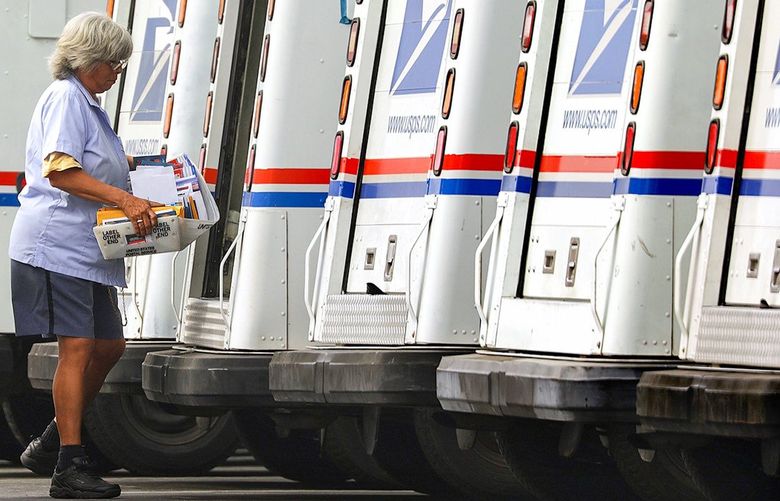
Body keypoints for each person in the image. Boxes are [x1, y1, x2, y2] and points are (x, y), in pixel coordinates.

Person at [8, 12, 159, 499]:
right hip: (58, 245)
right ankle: (68, 466)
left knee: (110, 346)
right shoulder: (66, 99)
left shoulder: (87, 103)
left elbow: (93, 161)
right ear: (89, 60)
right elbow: (61, 171)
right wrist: (125, 199)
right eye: (115, 63)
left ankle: (53, 439)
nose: (118, 72)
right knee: (77, 348)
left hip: (86, 250)